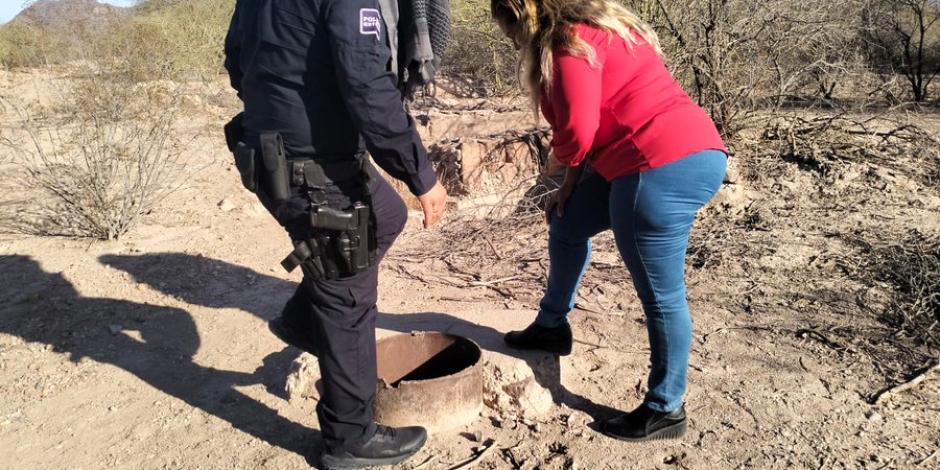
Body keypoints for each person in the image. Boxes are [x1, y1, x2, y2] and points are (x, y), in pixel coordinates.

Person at [223, 0, 448, 468]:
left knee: (386, 215)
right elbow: (368, 86)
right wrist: (421, 175)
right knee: (348, 289)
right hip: (312, 167)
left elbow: (235, 60)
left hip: (272, 152)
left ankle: (303, 320)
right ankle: (350, 439)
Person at [492, 0, 728, 442]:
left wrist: (556, 165)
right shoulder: (604, 28)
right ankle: (551, 326)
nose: (512, 43)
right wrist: (569, 187)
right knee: (567, 221)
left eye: (510, 31)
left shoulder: (568, 42)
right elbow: (596, 123)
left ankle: (665, 408)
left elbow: (578, 131)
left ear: (524, 15)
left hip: (655, 164)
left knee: (661, 295)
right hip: (676, 153)